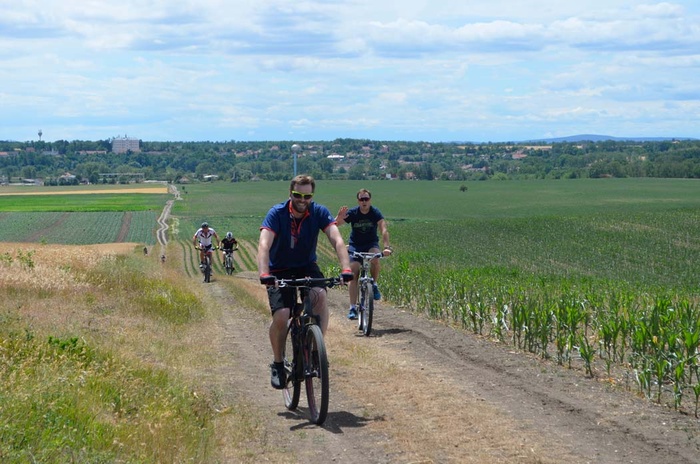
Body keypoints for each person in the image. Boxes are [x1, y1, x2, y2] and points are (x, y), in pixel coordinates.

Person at [258, 174, 353, 390]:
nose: (302, 199)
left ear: (312, 195)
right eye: (298, 195)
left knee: (319, 296)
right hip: (279, 269)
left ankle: (316, 349)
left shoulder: (318, 211)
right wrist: (265, 274)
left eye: (307, 195)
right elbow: (264, 245)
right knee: (282, 315)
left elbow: (337, 239)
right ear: (290, 193)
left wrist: (346, 269)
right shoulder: (277, 213)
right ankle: (278, 364)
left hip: (306, 265)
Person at [335, 188, 393, 320]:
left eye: (366, 199)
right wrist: (337, 218)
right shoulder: (353, 213)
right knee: (353, 271)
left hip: (370, 244)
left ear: (370, 200)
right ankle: (352, 307)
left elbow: (383, 229)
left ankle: (374, 284)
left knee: (375, 258)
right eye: (361, 199)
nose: (364, 201)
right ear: (358, 201)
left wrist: (387, 247)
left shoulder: (375, 213)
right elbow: (334, 225)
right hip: (355, 245)